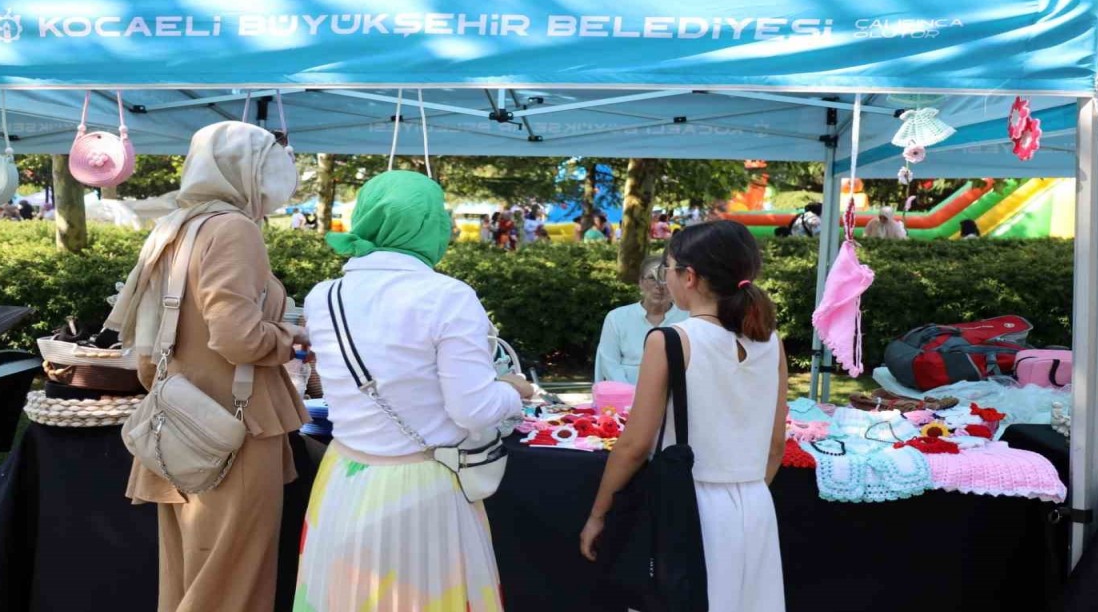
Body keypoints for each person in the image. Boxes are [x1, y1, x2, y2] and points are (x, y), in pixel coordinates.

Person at [295, 170, 532, 611]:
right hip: (422, 487)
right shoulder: (449, 296)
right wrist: (514, 390)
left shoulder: (322, 296)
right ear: (426, 225)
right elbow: (474, 408)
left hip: (343, 479)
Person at [106, 121, 308, 612]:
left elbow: (155, 337)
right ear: (247, 169)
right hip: (233, 424)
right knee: (231, 581)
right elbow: (238, 337)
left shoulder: (177, 226)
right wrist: (294, 338)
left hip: (180, 416)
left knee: (189, 574)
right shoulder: (233, 229)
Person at [580, 220, 788, 612]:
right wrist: (745, 491)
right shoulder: (769, 341)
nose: (667, 279)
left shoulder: (672, 340)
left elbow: (635, 445)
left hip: (690, 505)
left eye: (669, 270)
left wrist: (597, 514)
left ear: (689, 277)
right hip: (755, 502)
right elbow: (775, 446)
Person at [594, 255, 689, 384]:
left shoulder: (687, 317)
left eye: (664, 279)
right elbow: (609, 363)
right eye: (652, 278)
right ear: (640, 282)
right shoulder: (616, 318)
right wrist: (629, 395)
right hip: (625, 393)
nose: (659, 286)